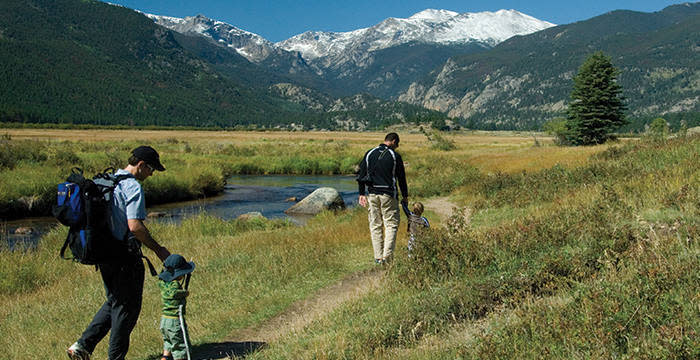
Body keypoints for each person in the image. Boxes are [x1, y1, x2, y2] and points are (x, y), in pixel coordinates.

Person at [67, 145, 171, 360]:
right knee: (127, 309)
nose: (151, 175)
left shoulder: (106, 180)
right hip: (124, 256)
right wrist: (159, 250)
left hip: (103, 253)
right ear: (141, 165)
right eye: (151, 169)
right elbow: (135, 226)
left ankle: (83, 346)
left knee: (115, 301)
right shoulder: (132, 187)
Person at [357, 132, 408, 264]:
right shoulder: (395, 156)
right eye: (397, 144)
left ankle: (378, 257)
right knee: (391, 224)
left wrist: (361, 193)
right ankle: (387, 256)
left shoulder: (369, 153)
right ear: (394, 141)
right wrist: (405, 196)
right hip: (388, 194)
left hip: (372, 194)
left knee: (375, 225)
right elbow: (401, 178)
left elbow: (361, 175)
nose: (397, 147)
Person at [157, 254, 195, 360]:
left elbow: (161, 278)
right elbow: (174, 293)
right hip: (175, 320)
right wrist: (184, 293)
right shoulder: (174, 285)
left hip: (164, 320)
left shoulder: (163, 283)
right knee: (180, 345)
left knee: (168, 341)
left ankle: (165, 357)